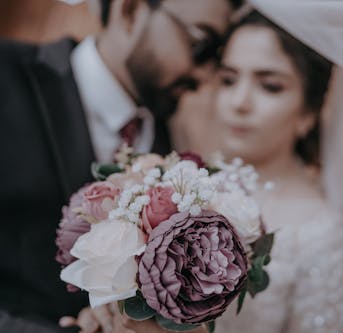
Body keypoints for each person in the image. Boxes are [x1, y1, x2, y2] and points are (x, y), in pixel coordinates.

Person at [0, 0, 241, 332]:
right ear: (129, 10)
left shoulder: (176, 152)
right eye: (201, 44)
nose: (204, 75)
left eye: (215, 57)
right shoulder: (7, 76)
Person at [207, 10, 343, 333]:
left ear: (308, 113)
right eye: (229, 80)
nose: (239, 101)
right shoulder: (188, 182)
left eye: (270, 86)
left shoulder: (320, 232)